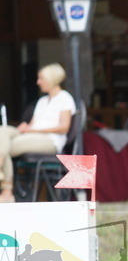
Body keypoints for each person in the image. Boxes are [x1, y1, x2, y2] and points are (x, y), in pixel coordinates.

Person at [0, 63, 75, 203]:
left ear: (51, 79)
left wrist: (35, 130)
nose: (38, 82)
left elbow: (64, 127)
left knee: (5, 146)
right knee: (2, 132)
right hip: (32, 135)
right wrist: (26, 127)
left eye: (41, 78)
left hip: (50, 140)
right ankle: (6, 191)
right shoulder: (41, 101)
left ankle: (6, 191)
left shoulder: (65, 98)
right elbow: (33, 125)